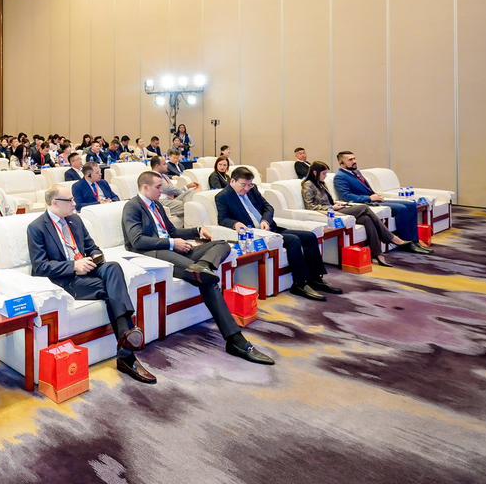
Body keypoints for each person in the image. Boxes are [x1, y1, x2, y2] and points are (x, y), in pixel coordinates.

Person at [123, 171, 274, 364]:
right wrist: (172, 243)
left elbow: (172, 231)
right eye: (158, 187)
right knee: (206, 280)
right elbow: (137, 240)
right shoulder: (133, 206)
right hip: (154, 254)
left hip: (174, 249)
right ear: (145, 187)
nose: (162, 191)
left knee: (222, 245)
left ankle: (203, 266)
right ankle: (235, 339)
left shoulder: (157, 206)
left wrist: (196, 230)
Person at [28, 186, 154, 384]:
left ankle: (125, 340)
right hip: (66, 279)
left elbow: (92, 247)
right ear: (54, 203)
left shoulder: (75, 220)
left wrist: (94, 257)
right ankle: (127, 350)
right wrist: (73, 266)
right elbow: (40, 266)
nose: (74, 203)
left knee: (113, 267)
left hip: (88, 268)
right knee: (112, 290)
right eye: (69, 200)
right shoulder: (37, 227)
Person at [216, 167, 341, 301]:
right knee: (293, 240)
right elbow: (223, 219)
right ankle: (300, 284)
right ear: (232, 181)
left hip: (270, 228)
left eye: (249, 184)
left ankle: (316, 278)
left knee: (309, 236)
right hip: (256, 235)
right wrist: (235, 224)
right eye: (243, 185)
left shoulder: (253, 189)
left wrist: (265, 220)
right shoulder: (223, 196)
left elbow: (268, 207)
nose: (247, 188)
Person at [301, 161, 423, 267]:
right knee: (364, 207)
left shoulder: (321, 183)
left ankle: (377, 254)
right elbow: (310, 206)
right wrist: (332, 207)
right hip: (328, 212)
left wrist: (337, 204)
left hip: (335, 208)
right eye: (324, 173)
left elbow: (329, 200)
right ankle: (391, 238)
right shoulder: (308, 185)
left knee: (366, 219)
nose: (325, 176)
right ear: (315, 173)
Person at [334, 151, 428, 251]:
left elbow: (366, 189)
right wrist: (370, 198)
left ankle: (415, 241)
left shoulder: (356, 172)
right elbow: (345, 196)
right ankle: (406, 242)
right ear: (341, 163)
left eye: (354, 158)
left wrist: (376, 195)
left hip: (374, 199)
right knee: (402, 208)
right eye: (350, 160)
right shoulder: (340, 177)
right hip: (366, 203)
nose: (354, 161)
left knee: (411, 205)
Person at [150, 155, 199, 225]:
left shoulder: (164, 175)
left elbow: (173, 190)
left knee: (191, 192)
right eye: (164, 164)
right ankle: (192, 224)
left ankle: (187, 222)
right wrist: (184, 189)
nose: (167, 165)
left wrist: (187, 187)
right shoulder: (154, 176)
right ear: (157, 166)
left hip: (170, 199)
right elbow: (168, 189)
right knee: (188, 206)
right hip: (161, 201)